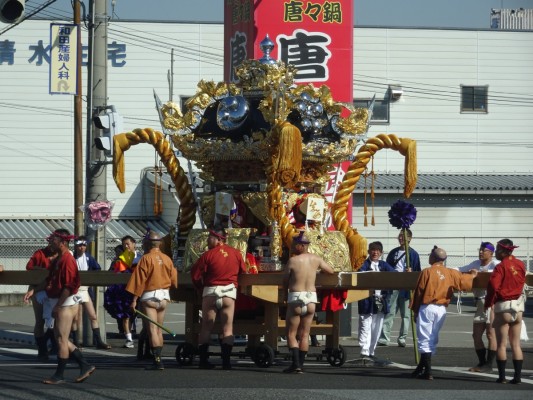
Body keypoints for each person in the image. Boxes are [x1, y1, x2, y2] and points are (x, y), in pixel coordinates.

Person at [410, 246, 478, 380]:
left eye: (430, 254)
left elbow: (419, 292)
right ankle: (422, 368)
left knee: (425, 338)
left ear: (434, 258)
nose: (429, 256)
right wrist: (473, 275)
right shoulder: (450, 272)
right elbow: (464, 283)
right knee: (432, 338)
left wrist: (415, 310)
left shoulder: (426, 272)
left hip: (427, 307)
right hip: (441, 309)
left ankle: (428, 371)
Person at [40, 229, 95, 384]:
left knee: (62, 339)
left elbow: (69, 285)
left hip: (66, 302)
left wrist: (58, 305)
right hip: (62, 301)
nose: (50, 242)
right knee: (59, 338)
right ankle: (84, 365)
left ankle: (59, 375)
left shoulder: (67, 260)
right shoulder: (59, 259)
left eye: (53, 240)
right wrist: (33, 291)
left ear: (63, 243)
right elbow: (49, 279)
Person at [191, 227, 246, 370]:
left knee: (206, 328)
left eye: (210, 237)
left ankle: (203, 361)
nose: (208, 240)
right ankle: (226, 362)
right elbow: (244, 272)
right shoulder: (236, 253)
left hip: (211, 292)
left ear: (218, 239)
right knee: (227, 328)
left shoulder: (208, 255)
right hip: (228, 293)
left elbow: (196, 275)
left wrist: (198, 288)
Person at [125, 229, 178, 370]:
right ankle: (158, 358)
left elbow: (139, 281)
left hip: (149, 296)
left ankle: (157, 360)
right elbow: (174, 279)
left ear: (148, 244)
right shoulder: (167, 259)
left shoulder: (145, 259)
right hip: (164, 297)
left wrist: (134, 300)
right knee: (159, 330)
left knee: (152, 330)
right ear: (159, 244)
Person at [283, 231, 335, 373]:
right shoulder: (316, 259)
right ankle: (301, 364)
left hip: (296, 297)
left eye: (294, 244)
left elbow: (284, 281)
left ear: (301, 246)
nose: (292, 246)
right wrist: (317, 273)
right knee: (305, 334)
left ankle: (295, 364)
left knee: (291, 334)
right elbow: (331, 270)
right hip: (311, 298)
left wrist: (283, 295)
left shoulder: (293, 261)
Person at [484, 239, 526, 384]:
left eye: (497, 249)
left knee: (502, 344)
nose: (495, 252)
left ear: (502, 251)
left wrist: (488, 303)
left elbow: (493, 286)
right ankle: (518, 377)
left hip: (504, 306)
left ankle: (502, 377)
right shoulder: (521, 264)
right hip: (518, 306)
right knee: (516, 344)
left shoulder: (501, 266)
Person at [456, 242, 498, 373]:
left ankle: (489, 364)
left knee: (491, 334)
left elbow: (498, 271)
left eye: (484, 250)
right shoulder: (475, 263)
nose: (480, 252)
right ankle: (482, 362)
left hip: (492, 303)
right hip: (479, 302)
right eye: (480, 250)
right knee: (476, 335)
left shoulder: (495, 264)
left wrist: (483, 272)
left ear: (491, 253)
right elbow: (459, 269)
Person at [378, 229, 421, 347]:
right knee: (389, 312)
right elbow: (387, 268)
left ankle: (402, 338)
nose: (401, 238)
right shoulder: (393, 253)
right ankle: (384, 338)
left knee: (406, 314)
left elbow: (418, 272)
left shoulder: (414, 254)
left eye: (404, 236)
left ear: (410, 238)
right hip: (393, 285)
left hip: (406, 288)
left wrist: (411, 272)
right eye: (400, 236)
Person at [357, 241, 396, 360]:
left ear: (381, 252)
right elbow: (360, 274)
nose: (375, 252)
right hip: (366, 300)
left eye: (378, 250)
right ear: (369, 251)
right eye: (373, 250)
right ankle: (364, 351)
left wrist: (406, 273)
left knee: (377, 326)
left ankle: (371, 351)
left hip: (381, 301)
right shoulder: (363, 264)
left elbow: (395, 275)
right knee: (365, 325)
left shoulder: (384, 265)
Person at [71, 236, 111, 350]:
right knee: (76, 318)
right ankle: (76, 341)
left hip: (86, 289)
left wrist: (91, 280)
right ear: (76, 246)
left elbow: (97, 269)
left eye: (84, 245)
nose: (82, 247)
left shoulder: (89, 258)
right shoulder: (71, 257)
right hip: (75, 290)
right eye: (79, 245)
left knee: (93, 316)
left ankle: (98, 341)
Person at [23, 242, 58, 361]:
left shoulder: (62, 255)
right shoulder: (40, 253)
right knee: (40, 321)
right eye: (52, 241)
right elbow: (29, 266)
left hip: (52, 290)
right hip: (37, 289)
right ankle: (42, 350)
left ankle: (54, 345)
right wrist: (41, 269)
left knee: (55, 320)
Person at [104, 235, 139, 349]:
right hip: (125, 291)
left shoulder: (142, 258)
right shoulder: (121, 259)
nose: (126, 246)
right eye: (124, 244)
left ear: (134, 244)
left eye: (128, 243)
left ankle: (146, 339)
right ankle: (129, 338)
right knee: (126, 316)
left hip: (140, 290)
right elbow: (117, 276)